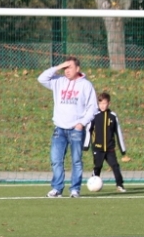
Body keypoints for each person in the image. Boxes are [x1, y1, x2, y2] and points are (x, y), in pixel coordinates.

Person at [38, 58, 98, 198]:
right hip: (59, 129)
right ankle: (57, 188)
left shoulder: (86, 85)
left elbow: (93, 108)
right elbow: (41, 78)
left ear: (77, 69)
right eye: (65, 68)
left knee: (76, 160)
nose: (67, 70)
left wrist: (81, 123)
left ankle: (75, 189)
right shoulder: (58, 81)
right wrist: (58, 66)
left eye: (69, 67)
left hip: (76, 130)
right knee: (56, 160)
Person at [86, 92, 128, 193]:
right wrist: (86, 145)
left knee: (115, 166)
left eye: (104, 103)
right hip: (98, 148)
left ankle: (120, 185)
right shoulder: (94, 116)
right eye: (100, 103)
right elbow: (88, 130)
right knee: (98, 166)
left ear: (108, 103)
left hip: (110, 148)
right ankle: (93, 183)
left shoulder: (113, 116)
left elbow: (118, 132)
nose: (102, 105)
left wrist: (122, 148)